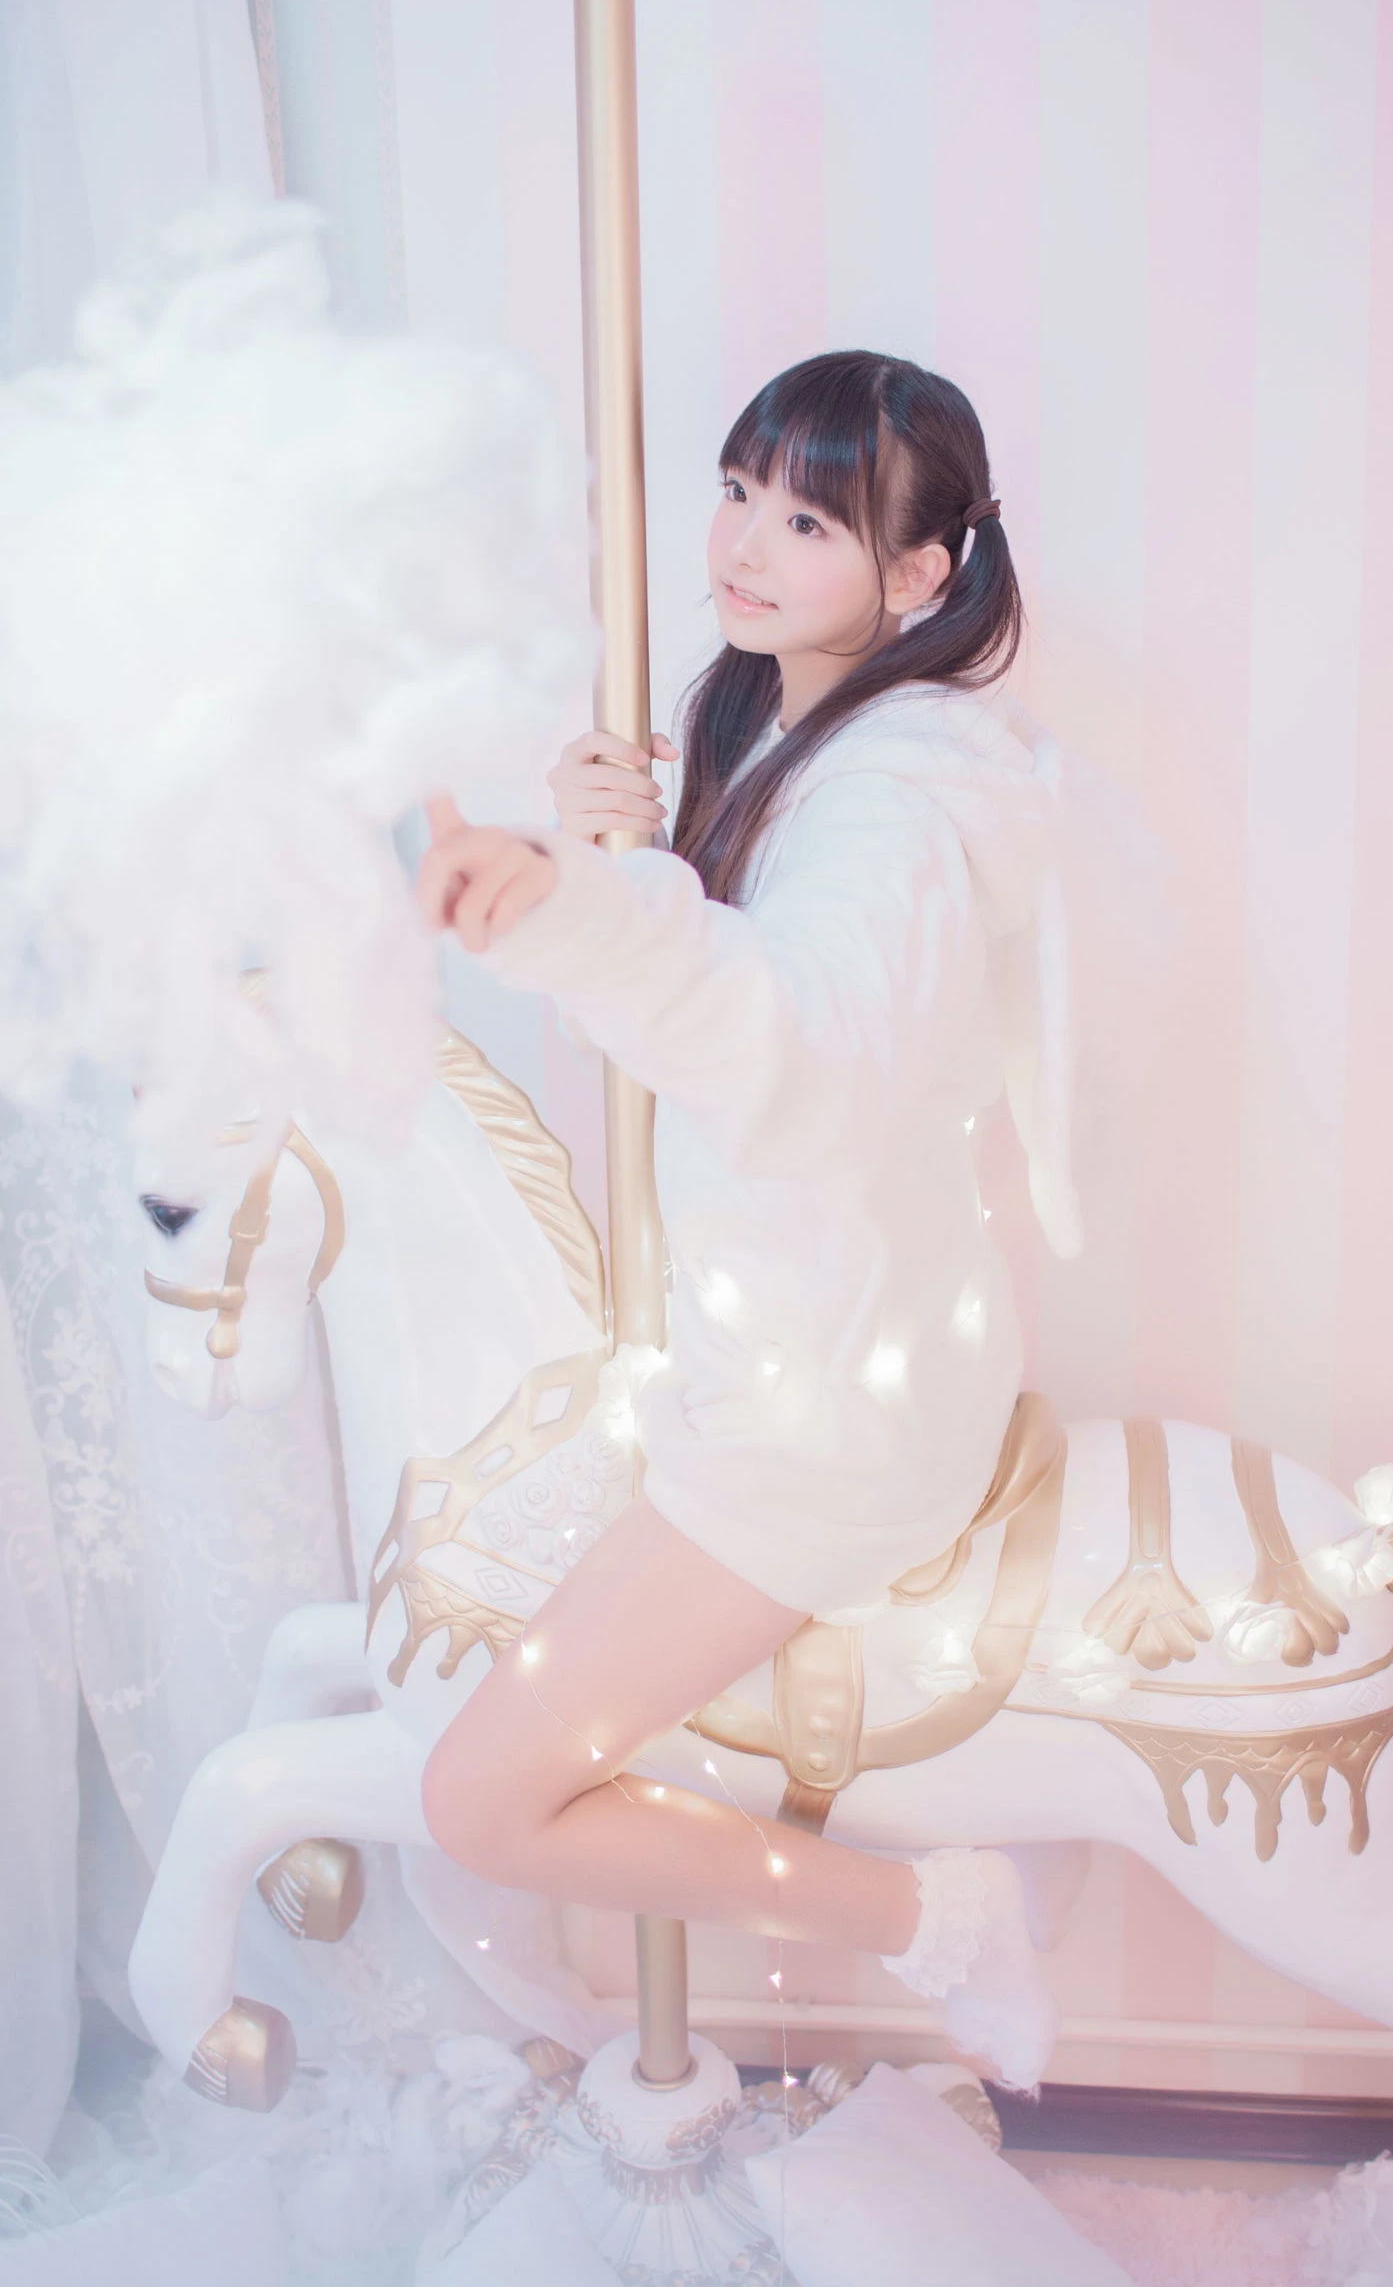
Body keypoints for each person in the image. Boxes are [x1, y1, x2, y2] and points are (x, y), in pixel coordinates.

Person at [415, 350, 1081, 2088]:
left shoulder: (890, 802)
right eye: (737, 493)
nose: (742, 543)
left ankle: (932, 1918)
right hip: (773, 1335)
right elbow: (688, 1052)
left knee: (479, 1798)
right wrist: (615, 864)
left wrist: (579, 910)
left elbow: (795, 1053)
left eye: (809, 522)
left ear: (921, 571)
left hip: (826, 1406)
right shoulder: (779, 730)